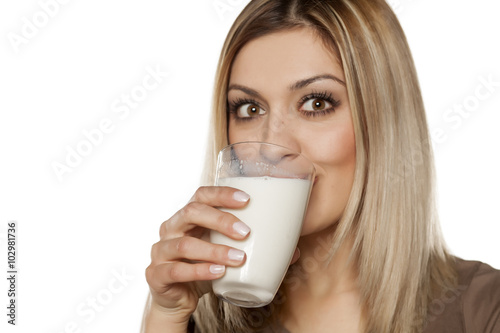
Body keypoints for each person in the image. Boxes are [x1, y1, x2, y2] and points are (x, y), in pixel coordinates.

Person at [142, 0, 500, 332]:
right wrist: (165, 315)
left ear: (382, 122)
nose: (273, 146)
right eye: (249, 109)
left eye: (315, 103)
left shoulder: (481, 309)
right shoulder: (197, 313)